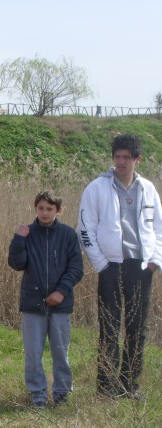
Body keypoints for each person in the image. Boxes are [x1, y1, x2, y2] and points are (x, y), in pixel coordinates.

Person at [77, 134, 162, 400]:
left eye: (127, 157)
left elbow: (158, 228)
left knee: (137, 328)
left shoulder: (148, 189)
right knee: (109, 327)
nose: (121, 162)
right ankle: (106, 387)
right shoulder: (96, 188)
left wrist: (154, 262)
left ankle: (129, 386)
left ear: (138, 160)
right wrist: (102, 264)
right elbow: (85, 230)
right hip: (111, 267)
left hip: (141, 267)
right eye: (117, 157)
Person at [8, 191, 83, 407]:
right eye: (41, 208)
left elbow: (76, 269)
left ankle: (62, 394)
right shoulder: (27, 233)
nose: (44, 213)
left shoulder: (68, 235)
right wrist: (18, 239)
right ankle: (37, 394)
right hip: (33, 303)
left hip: (61, 305)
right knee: (33, 353)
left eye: (49, 209)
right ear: (35, 208)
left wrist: (61, 291)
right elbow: (16, 264)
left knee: (61, 352)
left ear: (59, 211)